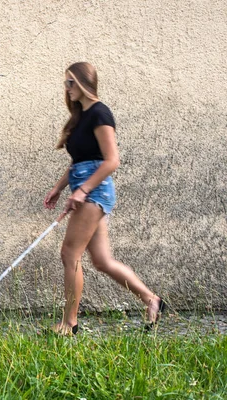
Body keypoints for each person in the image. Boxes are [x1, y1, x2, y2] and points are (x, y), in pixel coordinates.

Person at [43, 62, 165, 335]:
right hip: (85, 187)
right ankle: (151, 299)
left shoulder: (100, 113)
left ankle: (69, 323)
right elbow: (80, 161)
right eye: (66, 83)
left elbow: (111, 161)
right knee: (101, 260)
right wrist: (59, 187)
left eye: (71, 82)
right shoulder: (81, 116)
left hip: (95, 191)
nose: (67, 88)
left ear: (85, 82)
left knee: (69, 254)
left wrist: (83, 190)